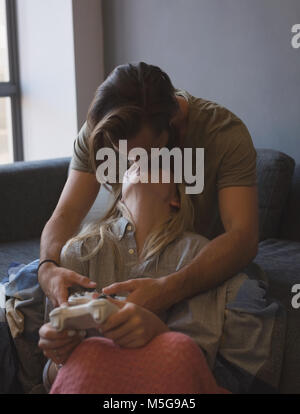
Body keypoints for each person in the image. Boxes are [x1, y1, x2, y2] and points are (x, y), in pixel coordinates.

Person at [38, 162, 283, 394]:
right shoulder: (78, 251)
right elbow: (52, 377)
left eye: (159, 163)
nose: (144, 160)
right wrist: (59, 358)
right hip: (90, 379)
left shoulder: (201, 256)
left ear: (176, 198)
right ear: (122, 194)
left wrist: (155, 331)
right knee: (87, 355)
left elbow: (193, 363)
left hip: (169, 382)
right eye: (134, 163)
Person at [37, 61, 259, 317]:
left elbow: (244, 238)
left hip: (194, 268)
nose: (132, 165)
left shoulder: (223, 134)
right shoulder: (102, 128)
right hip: (119, 257)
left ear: (172, 123)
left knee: (247, 302)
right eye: (123, 154)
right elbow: (66, 213)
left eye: (142, 155)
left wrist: (167, 289)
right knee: (31, 287)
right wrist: (47, 267)